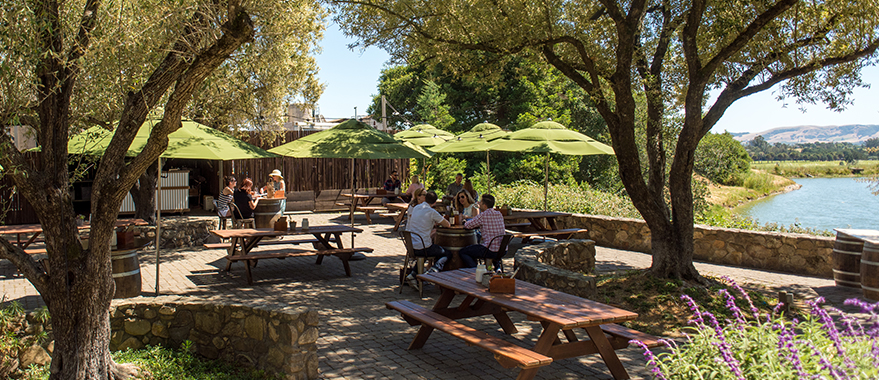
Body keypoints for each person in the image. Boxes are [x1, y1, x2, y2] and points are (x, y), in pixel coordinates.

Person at [431, 194, 505, 271]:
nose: (478, 203)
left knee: (463, 252)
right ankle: (497, 268)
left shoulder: (483, 215)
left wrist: (464, 220)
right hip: (502, 250)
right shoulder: (499, 214)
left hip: (489, 249)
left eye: (480, 202)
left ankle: (477, 270)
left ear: (485, 205)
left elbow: (468, 225)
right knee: (477, 249)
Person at [404, 189, 450, 289]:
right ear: (434, 202)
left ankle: (413, 275)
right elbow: (447, 224)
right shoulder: (432, 212)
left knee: (428, 250)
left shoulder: (416, 208)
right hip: (423, 247)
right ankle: (434, 270)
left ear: (425, 198)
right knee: (446, 252)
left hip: (412, 246)